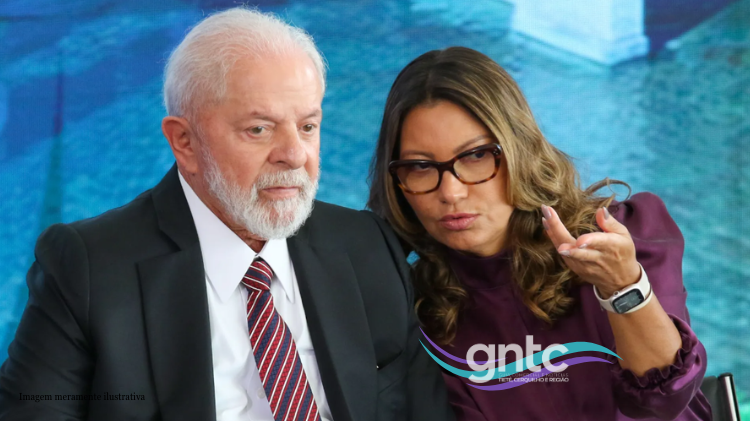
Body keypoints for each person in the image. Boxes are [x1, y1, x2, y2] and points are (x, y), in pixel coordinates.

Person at [0, 9, 455, 421]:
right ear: (185, 142)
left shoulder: (367, 246)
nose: (295, 154)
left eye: (307, 126)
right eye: (259, 129)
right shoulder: (88, 268)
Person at [368, 46, 712, 421]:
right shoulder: (409, 309)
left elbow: (662, 402)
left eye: (476, 156)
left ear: (520, 150)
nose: (451, 192)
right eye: (420, 166)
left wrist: (622, 287)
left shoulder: (621, 239)